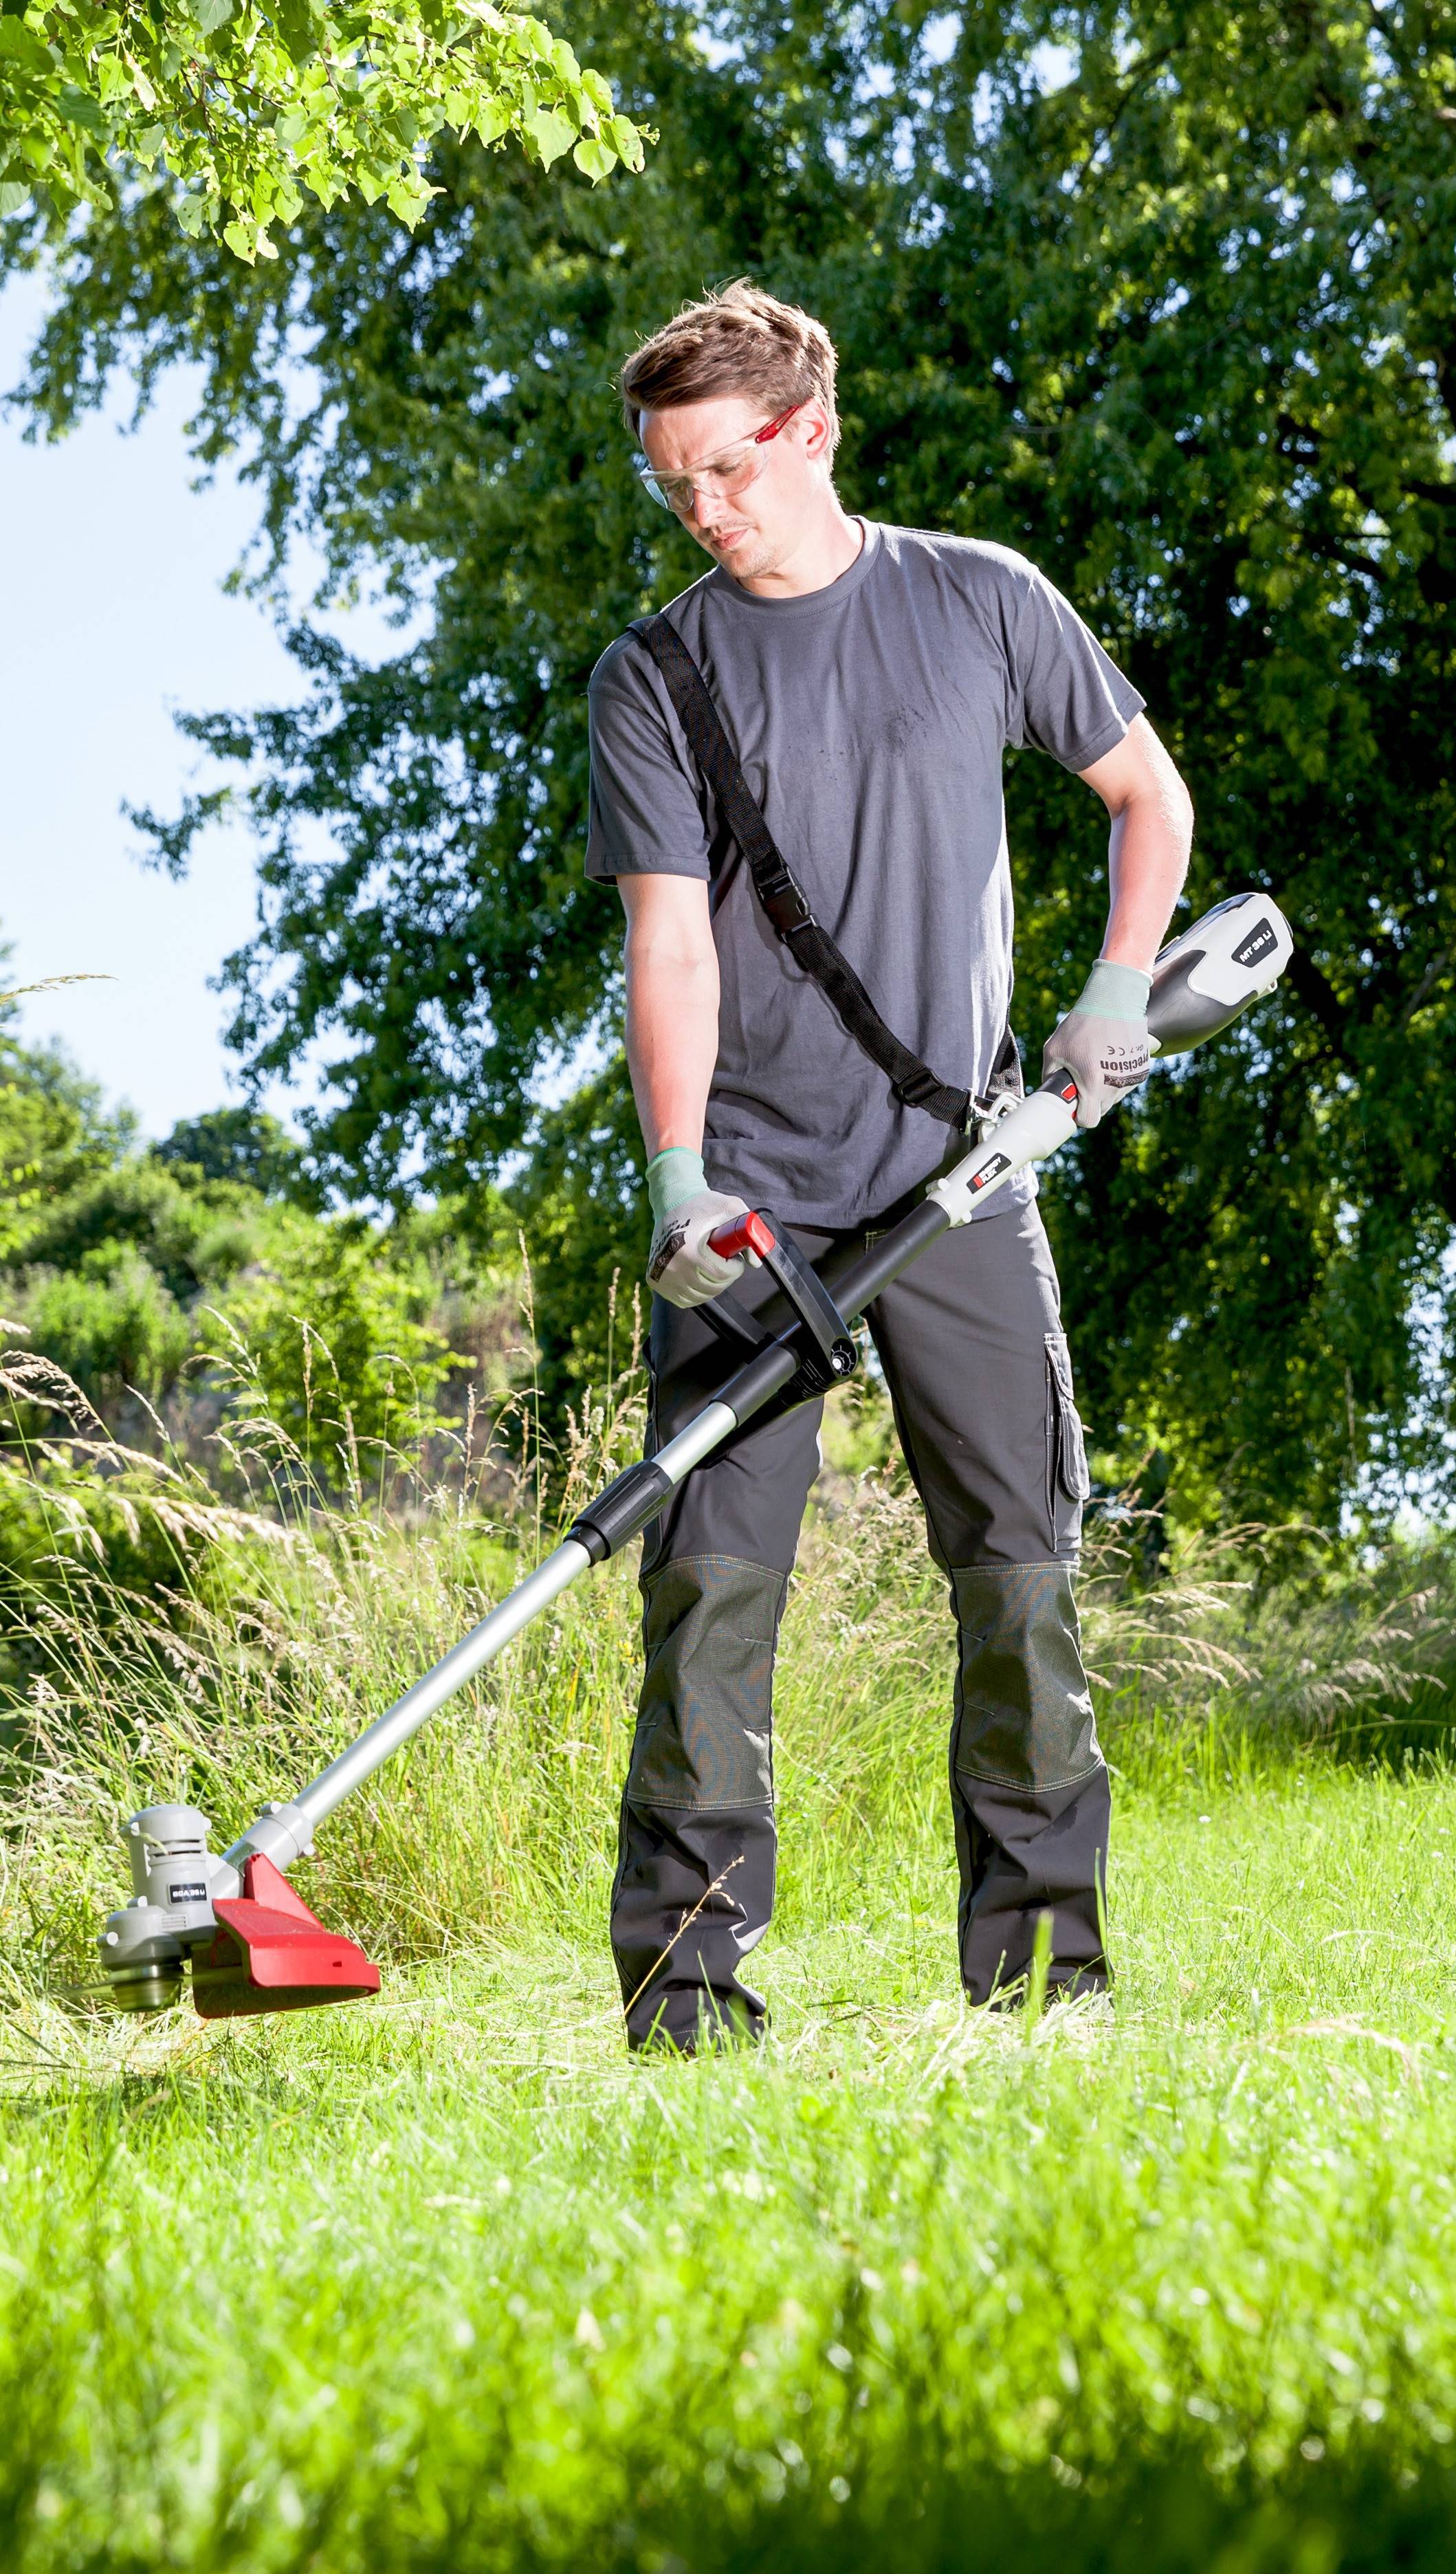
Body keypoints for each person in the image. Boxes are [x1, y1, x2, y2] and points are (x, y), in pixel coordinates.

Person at [585, 281, 1195, 2051]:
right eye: (670, 485)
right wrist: (680, 1174)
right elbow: (673, 946)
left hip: (966, 1174)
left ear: (810, 432)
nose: (704, 511)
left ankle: (1044, 1981)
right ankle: (687, 1998)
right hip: (756, 1203)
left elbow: (1144, 799)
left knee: (1019, 1567)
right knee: (710, 1587)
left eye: (724, 471)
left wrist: (1106, 994)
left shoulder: (979, 600)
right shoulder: (659, 675)